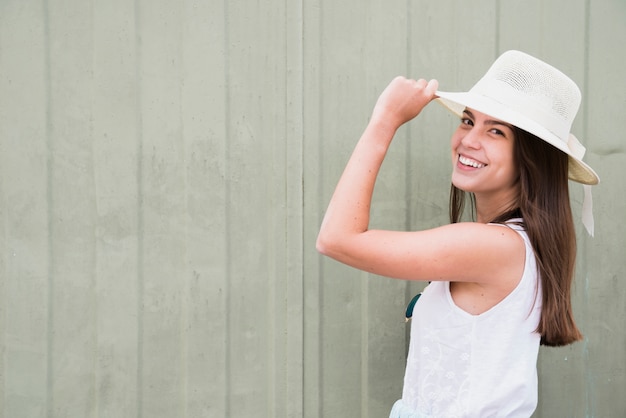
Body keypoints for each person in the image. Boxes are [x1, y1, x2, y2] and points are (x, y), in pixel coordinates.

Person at [316, 50, 599, 417]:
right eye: (468, 121)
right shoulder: (512, 243)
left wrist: (385, 121)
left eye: (495, 130)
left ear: (532, 157)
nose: (469, 139)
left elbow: (336, 239)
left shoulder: (494, 246)